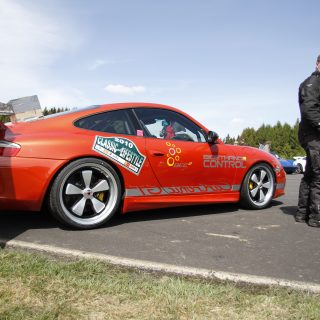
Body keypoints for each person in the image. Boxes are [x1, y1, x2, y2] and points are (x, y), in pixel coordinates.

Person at [295, 54, 320, 227]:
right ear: (318, 64)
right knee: (319, 176)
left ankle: (302, 214)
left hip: (312, 135)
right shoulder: (312, 83)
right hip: (312, 136)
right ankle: (316, 217)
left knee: (311, 174)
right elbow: (309, 109)